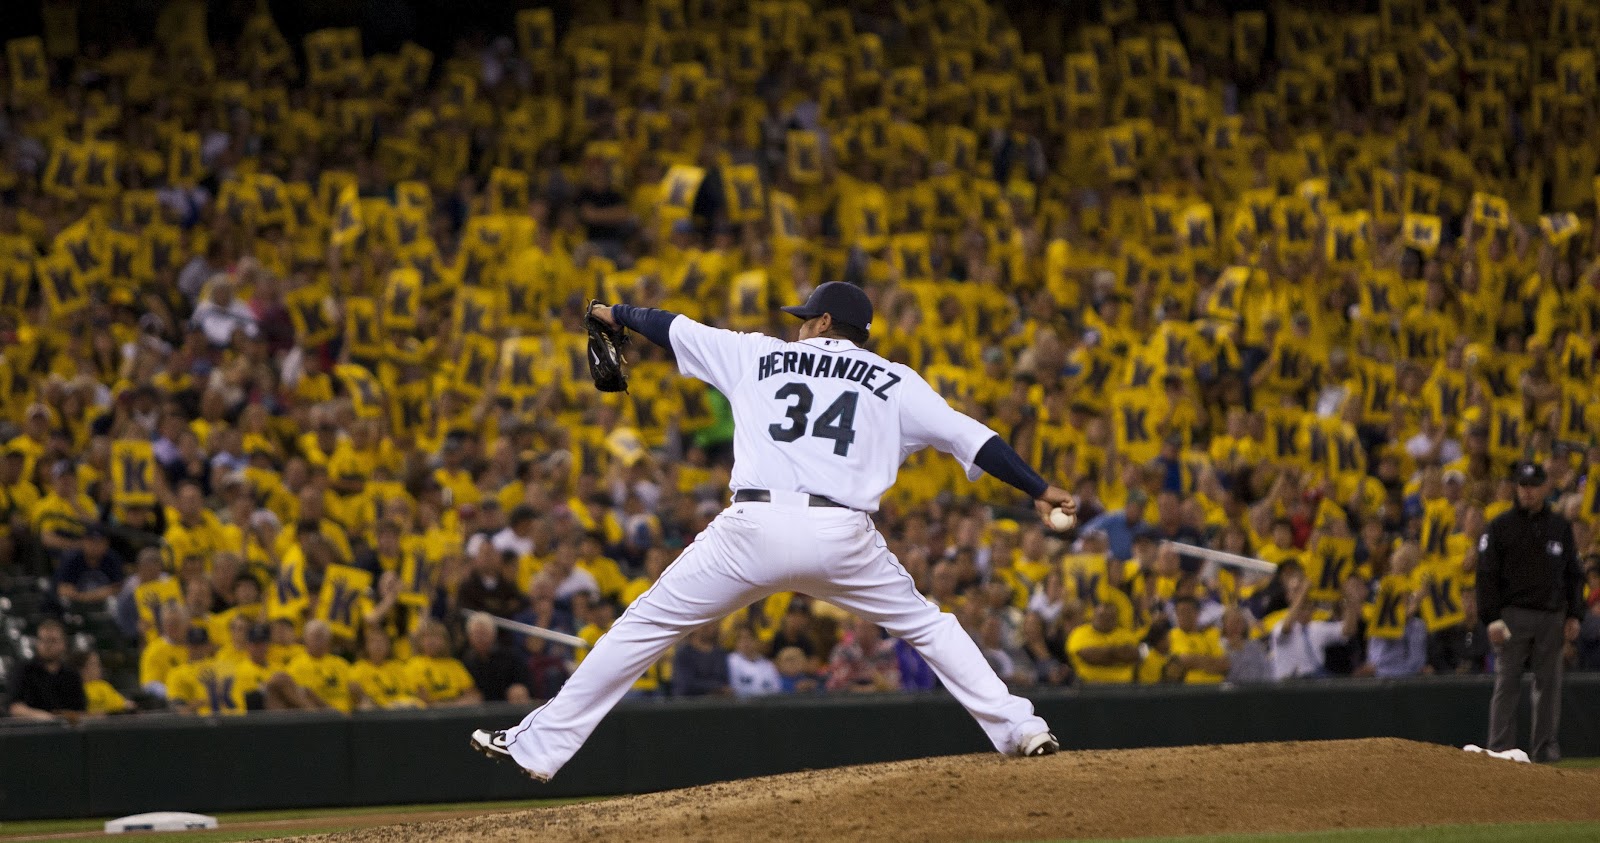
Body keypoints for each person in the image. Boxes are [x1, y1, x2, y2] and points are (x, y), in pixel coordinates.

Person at [475, 284, 1072, 779]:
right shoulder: (895, 381)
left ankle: (541, 746)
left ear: (826, 322)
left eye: (804, 318)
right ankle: (1022, 728)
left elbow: (668, 324)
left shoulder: (756, 354)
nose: (797, 326)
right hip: (841, 533)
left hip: (751, 528)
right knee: (930, 626)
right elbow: (977, 440)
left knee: (643, 627)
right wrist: (1040, 490)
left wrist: (615, 314)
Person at [1477, 462, 1586, 763]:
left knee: (1549, 687)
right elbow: (1486, 575)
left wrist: (1575, 614)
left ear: (1545, 488)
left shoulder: (1559, 527)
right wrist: (1492, 617)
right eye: (1523, 485)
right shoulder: (1500, 526)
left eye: (1533, 485)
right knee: (1506, 683)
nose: (1527, 491)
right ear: (1516, 487)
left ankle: (1545, 752)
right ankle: (1499, 751)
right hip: (1512, 616)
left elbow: (1574, 575)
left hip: (1551, 616)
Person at [1269, 575, 1365, 680]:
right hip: (1289, 686)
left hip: (1314, 684)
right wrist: (1303, 591)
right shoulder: (1279, 626)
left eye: (1307, 607)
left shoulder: (1317, 628)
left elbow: (1348, 631)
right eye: (1302, 608)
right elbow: (1286, 628)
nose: (1304, 610)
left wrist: (1349, 599)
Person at [5, 619, 87, 722]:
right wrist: (44, 717)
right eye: (42, 640)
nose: (47, 645)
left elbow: (80, 710)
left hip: (64, 732)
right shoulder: (24, 670)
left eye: (52, 641)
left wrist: (63, 717)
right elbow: (14, 707)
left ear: (63, 644)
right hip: (30, 730)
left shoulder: (71, 675)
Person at [461, 612, 532, 704]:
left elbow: (525, 683)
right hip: (477, 709)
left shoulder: (510, 657)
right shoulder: (464, 660)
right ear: (469, 636)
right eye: (476, 634)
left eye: (484, 633)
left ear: (493, 634)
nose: (480, 638)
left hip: (508, 704)